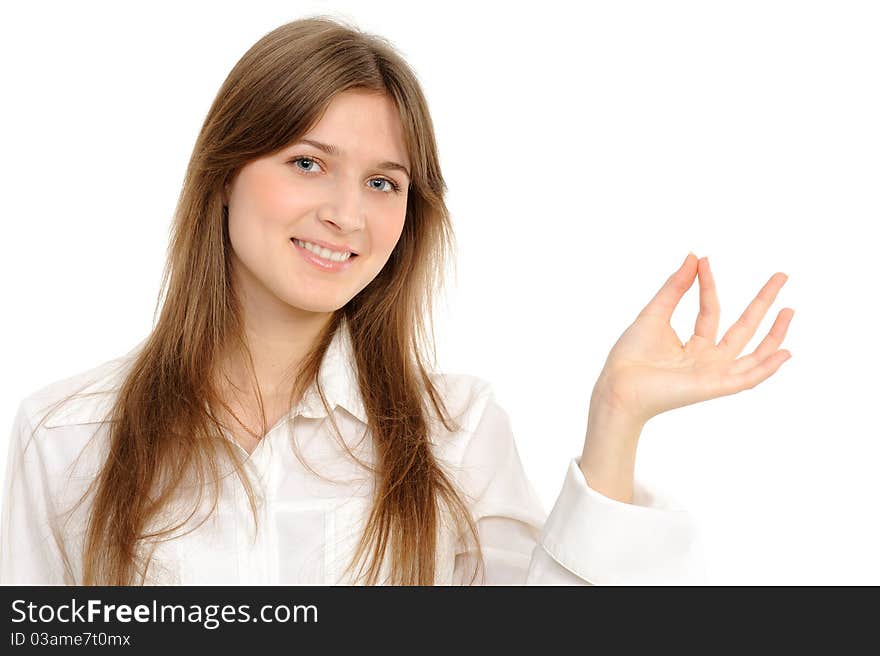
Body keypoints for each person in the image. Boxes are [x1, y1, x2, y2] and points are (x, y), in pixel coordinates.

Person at [0, 16, 793, 586]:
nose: (347, 213)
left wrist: (617, 414)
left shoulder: (456, 430)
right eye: (308, 163)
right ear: (223, 176)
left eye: (384, 182)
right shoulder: (68, 434)